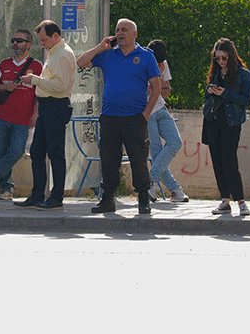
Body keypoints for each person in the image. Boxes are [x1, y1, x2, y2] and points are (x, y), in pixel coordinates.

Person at [76, 18, 162, 215]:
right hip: (109, 117)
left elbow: (156, 89)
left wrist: (145, 115)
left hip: (135, 118)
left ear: (134, 34)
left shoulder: (146, 57)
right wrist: (100, 46)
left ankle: (143, 199)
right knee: (109, 160)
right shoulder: (107, 55)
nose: (120, 33)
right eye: (117, 30)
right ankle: (108, 199)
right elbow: (81, 62)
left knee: (138, 159)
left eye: (124, 30)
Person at [17, 20, 76, 210]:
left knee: (56, 153)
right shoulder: (54, 53)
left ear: (55, 36)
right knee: (37, 151)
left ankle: (56, 196)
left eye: (44, 40)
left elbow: (60, 85)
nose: (41, 44)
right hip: (46, 107)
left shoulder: (63, 55)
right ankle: (38, 194)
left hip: (56, 106)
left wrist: (34, 80)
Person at [0, 29, 41, 200]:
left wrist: (36, 114)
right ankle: (6, 189)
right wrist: (5, 87)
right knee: (1, 154)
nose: (15, 43)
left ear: (28, 45)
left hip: (23, 119)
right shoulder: (3, 64)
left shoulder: (36, 66)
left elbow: (40, 93)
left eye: (19, 41)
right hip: (2, 116)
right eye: (13, 40)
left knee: (16, 152)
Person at [201, 38, 250, 217]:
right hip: (213, 121)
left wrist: (226, 94)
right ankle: (225, 200)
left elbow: (247, 99)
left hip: (232, 123)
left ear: (231, 56)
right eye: (217, 59)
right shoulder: (215, 73)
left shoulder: (243, 74)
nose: (221, 62)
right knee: (217, 161)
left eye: (224, 58)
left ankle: (241, 201)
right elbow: (207, 100)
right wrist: (210, 92)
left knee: (229, 161)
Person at [146, 39, 188, 203]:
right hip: (147, 110)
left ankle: (151, 180)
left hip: (161, 108)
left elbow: (166, 92)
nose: (158, 63)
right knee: (156, 152)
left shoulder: (162, 64)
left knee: (175, 142)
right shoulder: (143, 62)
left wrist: (160, 76)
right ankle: (175, 190)